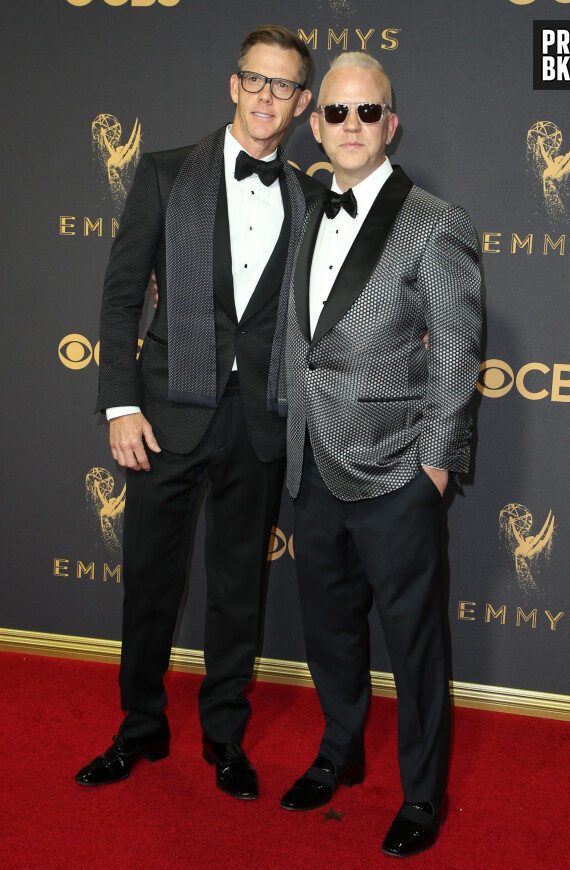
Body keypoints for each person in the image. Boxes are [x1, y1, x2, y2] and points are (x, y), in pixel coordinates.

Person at [75, 25, 322, 800]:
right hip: (163, 415)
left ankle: (225, 737)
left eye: (282, 86)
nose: (264, 97)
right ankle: (139, 728)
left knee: (238, 588)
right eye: (255, 79)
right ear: (232, 84)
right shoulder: (163, 173)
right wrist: (119, 403)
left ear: (303, 103)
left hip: (259, 420)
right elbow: (121, 300)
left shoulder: (310, 197)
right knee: (148, 580)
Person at [280, 52, 482, 858]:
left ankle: (424, 797)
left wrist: (432, 468)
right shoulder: (304, 206)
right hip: (310, 464)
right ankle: (339, 755)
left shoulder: (435, 220)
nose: (352, 126)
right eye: (336, 112)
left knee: (414, 643)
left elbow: (458, 359)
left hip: (398, 470)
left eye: (368, 113)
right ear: (316, 121)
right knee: (330, 633)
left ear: (390, 124)